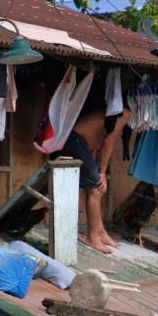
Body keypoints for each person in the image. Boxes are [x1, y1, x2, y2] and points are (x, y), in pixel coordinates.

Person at [52, 104, 131, 254]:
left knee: (97, 189)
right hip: (75, 139)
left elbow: (99, 140)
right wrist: (102, 173)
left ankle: (101, 233)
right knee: (96, 186)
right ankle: (93, 237)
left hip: (81, 142)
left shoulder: (115, 110)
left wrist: (96, 167)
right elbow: (108, 143)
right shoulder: (125, 112)